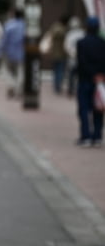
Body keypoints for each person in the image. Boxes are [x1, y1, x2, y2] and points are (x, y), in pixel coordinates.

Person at [74, 17, 105, 148]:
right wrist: (99, 75)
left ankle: (86, 136)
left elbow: (82, 62)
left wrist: (92, 74)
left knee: (83, 109)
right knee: (98, 108)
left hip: (85, 79)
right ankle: (97, 136)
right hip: (100, 80)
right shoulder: (103, 43)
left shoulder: (82, 42)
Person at [0, 8, 26, 99]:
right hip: (22, 52)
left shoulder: (9, 25)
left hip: (9, 52)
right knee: (20, 71)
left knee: (9, 71)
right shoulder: (25, 26)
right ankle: (18, 89)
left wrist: (0, 50)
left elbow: (4, 40)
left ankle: (12, 86)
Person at [46, 15, 69, 95]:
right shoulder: (64, 30)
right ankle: (58, 87)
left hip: (54, 53)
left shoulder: (54, 27)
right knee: (60, 71)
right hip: (61, 54)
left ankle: (56, 86)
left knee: (56, 71)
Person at [64, 16, 85, 97]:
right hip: (77, 58)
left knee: (72, 75)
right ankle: (73, 89)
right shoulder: (82, 33)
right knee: (75, 75)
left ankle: (71, 89)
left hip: (73, 57)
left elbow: (66, 46)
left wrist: (72, 53)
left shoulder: (71, 34)